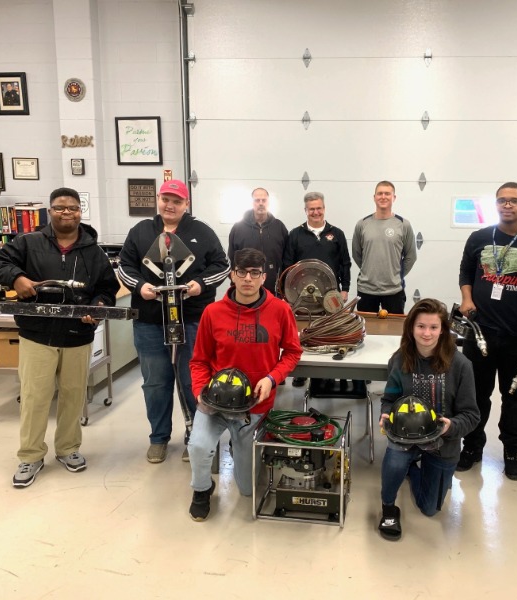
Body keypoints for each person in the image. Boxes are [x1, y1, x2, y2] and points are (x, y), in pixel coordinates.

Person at [0, 187, 120, 488]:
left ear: (80, 211)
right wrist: (16, 278)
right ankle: (30, 456)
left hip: (77, 336)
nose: (66, 212)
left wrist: (97, 307)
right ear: (50, 211)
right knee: (35, 397)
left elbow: (106, 289)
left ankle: (68, 449)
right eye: (60, 207)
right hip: (37, 334)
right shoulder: (28, 243)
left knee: (73, 396)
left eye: (72, 207)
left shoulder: (93, 252)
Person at [118, 179, 230, 464]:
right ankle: (158, 438)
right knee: (155, 382)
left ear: (186, 204)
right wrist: (140, 286)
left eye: (177, 201)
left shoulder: (201, 232)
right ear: (159, 199)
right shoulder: (141, 231)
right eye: (166, 199)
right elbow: (125, 265)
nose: (170, 205)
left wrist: (199, 284)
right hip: (149, 321)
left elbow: (222, 265)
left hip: (193, 319)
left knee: (194, 379)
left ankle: (197, 437)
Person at [187, 248, 302, 521]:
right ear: (232, 275)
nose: (247, 279)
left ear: (264, 277)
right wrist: (199, 392)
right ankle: (202, 489)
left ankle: (238, 448)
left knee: (248, 490)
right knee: (199, 446)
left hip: (255, 404)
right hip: (214, 402)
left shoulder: (280, 310)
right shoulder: (212, 313)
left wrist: (272, 378)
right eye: (241, 272)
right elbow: (199, 361)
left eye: (254, 273)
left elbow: (293, 352)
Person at [456, 182, 517, 480]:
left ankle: (512, 450)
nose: (508, 205)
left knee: (514, 398)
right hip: (480, 333)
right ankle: (472, 446)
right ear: (496, 204)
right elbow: (465, 271)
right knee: (475, 396)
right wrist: (467, 298)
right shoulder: (479, 238)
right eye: (502, 200)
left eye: (514, 201)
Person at [377, 298, 479, 540]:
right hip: (404, 435)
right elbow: (389, 398)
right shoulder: (400, 359)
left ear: (442, 329)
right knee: (394, 461)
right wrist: (386, 413)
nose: (427, 333)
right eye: (421, 326)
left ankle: (415, 470)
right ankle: (388, 507)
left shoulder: (461, 365)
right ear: (411, 328)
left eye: (433, 327)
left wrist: (450, 427)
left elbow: (472, 415)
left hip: (443, 441)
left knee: (430, 509)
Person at [282, 191, 351, 387]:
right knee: (302, 333)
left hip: (329, 295)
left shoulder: (336, 234)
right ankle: (301, 371)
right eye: (311, 209)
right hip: (300, 296)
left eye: (319, 208)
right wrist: (287, 295)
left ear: (324, 209)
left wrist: (344, 289)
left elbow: (345, 263)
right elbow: (287, 264)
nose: (315, 212)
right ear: (305, 211)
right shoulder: (295, 234)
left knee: (328, 331)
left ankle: (327, 373)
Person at [352, 181, 417, 314]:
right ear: (374, 197)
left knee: (393, 332)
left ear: (394, 197)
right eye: (380, 193)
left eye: (387, 193)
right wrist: (370, 271)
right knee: (366, 331)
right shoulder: (362, 224)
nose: (383, 197)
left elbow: (411, 256)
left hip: (394, 290)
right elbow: (357, 254)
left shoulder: (403, 224)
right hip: (366, 289)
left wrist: (396, 275)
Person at [227, 187, 288, 293]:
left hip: (273, 288)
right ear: (252, 203)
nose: (260, 203)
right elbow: (231, 259)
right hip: (245, 287)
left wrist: (283, 285)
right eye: (257, 200)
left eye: (264, 200)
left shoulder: (279, 227)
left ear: (268, 202)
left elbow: (286, 259)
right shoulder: (238, 228)